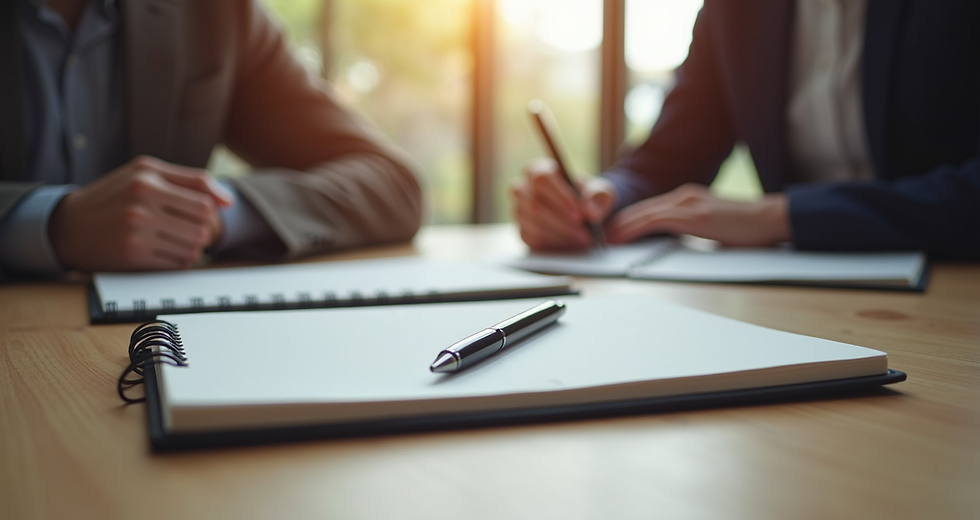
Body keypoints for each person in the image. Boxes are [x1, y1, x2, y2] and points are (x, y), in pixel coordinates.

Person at [511, 0, 980, 261]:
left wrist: (780, 217)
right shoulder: (738, 9)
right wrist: (601, 195)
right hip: (792, 301)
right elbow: (671, 158)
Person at [0, 0, 423, 277]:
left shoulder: (216, 13)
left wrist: (213, 213)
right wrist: (51, 225)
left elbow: (391, 182)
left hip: (145, 341)